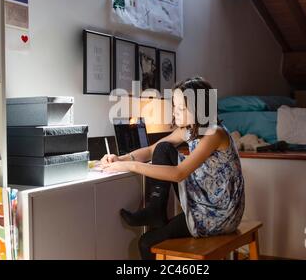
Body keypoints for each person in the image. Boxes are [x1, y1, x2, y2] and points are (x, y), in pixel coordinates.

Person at [101, 77, 245, 260]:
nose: (175, 113)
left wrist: (131, 166)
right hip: (202, 201)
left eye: (181, 108)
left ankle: (155, 212)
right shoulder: (190, 129)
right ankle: (155, 210)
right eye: (174, 106)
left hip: (218, 213)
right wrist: (119, 158)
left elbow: (179, 174)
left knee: (147, 243)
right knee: (163, 148)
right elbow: (152, 150)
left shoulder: (214, 133)